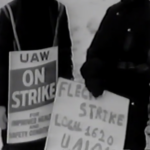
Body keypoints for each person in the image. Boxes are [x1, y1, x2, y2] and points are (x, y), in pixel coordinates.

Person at [0, 0, 73, 150]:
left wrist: (68, 94)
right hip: (17, 111)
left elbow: (65, 55)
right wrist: (0, 104)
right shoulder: (9, 14)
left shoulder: (58, 11)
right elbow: (0, 63)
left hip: (50, 106)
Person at [80, 0, 150, 149]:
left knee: (133, 141)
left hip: (138, 94)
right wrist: (93, 77)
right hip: (111, 97)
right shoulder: (115, 13)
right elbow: (96, 53)